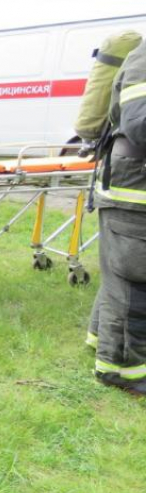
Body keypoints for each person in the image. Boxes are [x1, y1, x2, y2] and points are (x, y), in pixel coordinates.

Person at [86, 39, 146, 396]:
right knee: (135, 281)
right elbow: (140, 123)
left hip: (131, 186)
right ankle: (122, 371)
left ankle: (100, 342)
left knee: (120, 275)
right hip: (134, 191)